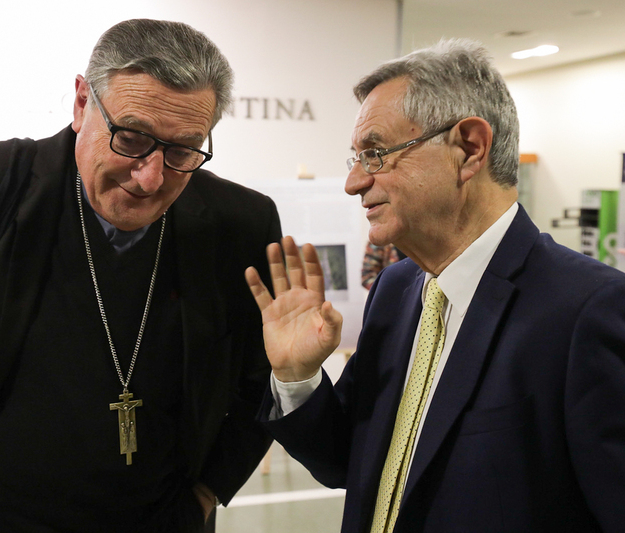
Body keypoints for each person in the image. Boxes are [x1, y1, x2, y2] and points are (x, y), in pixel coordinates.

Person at [0, 18, 281, 533]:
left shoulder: (239, 223)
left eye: (183, 150)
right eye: (132, 138)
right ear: (81, 104)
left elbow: (262, 380)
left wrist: (204, 495)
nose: (151, 176)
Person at [245, 39, 625, 532]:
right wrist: (299, 377)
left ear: (469, 148)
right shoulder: (397, 290)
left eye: (376, 153)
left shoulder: (586, 310)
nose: (354, 182)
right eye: (356, 158)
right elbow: (352, 459)